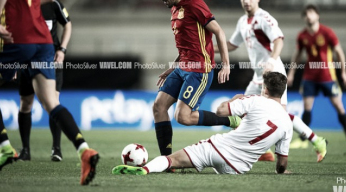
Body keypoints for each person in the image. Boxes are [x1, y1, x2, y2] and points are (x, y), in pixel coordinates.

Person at [0, 0, 98, 185]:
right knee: (51, 102)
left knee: (27, 101)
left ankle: (4, 147)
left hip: (18, 38)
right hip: (43, 41)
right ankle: (84, 150)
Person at [217, 0, 327, 162]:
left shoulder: (264, 18)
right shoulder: (242, 21)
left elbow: (279, 40)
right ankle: (264, 152)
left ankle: (317, 141)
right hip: (257, 77)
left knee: (280, 117)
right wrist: (206, 48)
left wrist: (271, 60)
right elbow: (231, 45)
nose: (246, 1)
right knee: (242, 113)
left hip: (273, 71)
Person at [112, 72, 292, 175]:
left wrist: (234, 100)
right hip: (238, 167)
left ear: (265, 89)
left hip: (216, 149)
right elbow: (282, 163)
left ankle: (146, 169)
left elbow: (221, 111)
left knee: (171, 159)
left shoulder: (255, 100)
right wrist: (280, 171)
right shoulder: (287, 123)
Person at [151, 0, 239, 158]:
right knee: (158, 107)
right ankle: (166, 160)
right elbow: (186, 44)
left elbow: (219, 32)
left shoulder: (194, 3)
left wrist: (225, 64)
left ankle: (228, 120)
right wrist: (173, 67)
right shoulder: (174, 8)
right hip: (182, 67)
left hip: (199, 70)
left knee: (182, 117)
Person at [287, 4, 346, 150]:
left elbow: (339, 52)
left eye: (311, 13)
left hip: (328, 77)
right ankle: (302, 140)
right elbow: (297, 55)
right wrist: (291, 73)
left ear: (317, 15)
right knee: (307, 108)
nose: (309, 16)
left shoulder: (327, 33)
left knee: (339, 107)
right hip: (309, 77)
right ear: (304, 18)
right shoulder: (302, 36)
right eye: (306, 14)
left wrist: (344, 72)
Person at [17, 0, 72, 162]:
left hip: (52, 60)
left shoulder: (54, 4)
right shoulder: (20, 3)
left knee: (53, 101)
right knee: (26, 103)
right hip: (26, 59)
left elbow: (67, 24)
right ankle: (25, 149)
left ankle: (57, 149)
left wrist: (62, 49)